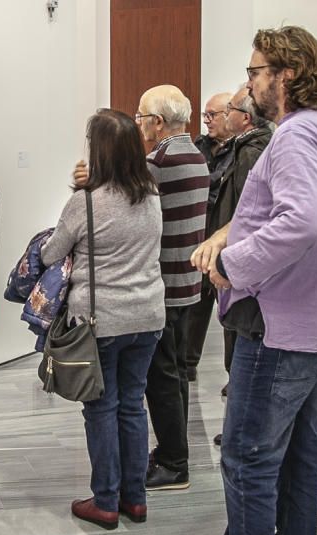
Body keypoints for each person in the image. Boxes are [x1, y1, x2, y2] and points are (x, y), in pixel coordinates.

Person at [158, 25, 317, 535]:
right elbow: (273, 213)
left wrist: (230, 263)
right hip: (313, 325)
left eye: (255, 70)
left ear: (285, 74)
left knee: (246, 456)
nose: (248, 81)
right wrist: (227, 234)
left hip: (279, 326)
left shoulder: (295, 136)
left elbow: (299, 223)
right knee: (299, 453)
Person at [41, 109, 164, 529]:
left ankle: (107, 500)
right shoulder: (151, 196)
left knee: (101, 407)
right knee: (132, 404)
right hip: (147, 316)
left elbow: (50, 253)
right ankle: (136, 498)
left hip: (100, 322)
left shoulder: (85, 202)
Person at [135, 85, 210, 491]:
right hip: (187, 281)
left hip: (162, 283)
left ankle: (173, 462)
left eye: (141, 115)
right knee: (176, 372)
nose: (139, 122)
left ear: (158, 122)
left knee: (161, 378)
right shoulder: (195, 154)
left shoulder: (157, 161)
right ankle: (173, 450)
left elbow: (123, 202)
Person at [208, 86, 274, 418]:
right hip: (235, 256)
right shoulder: (246, 148)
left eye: (228, 109)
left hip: (239, 260)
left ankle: (241, 413)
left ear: (244, 118)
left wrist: (230, 257)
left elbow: (250, 213)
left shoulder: (251, 153)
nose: (222, 116)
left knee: (239, 335)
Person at [186, 92, 235, 381]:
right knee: (196, 305)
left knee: (229, 310)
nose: (207, 122)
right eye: (205, 115)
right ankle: (188, 365)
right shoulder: (199, 145)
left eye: (212, 115)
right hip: (200, 235)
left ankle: (234, 375)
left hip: (227, 238)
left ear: (230, 115)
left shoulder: (244, 150)